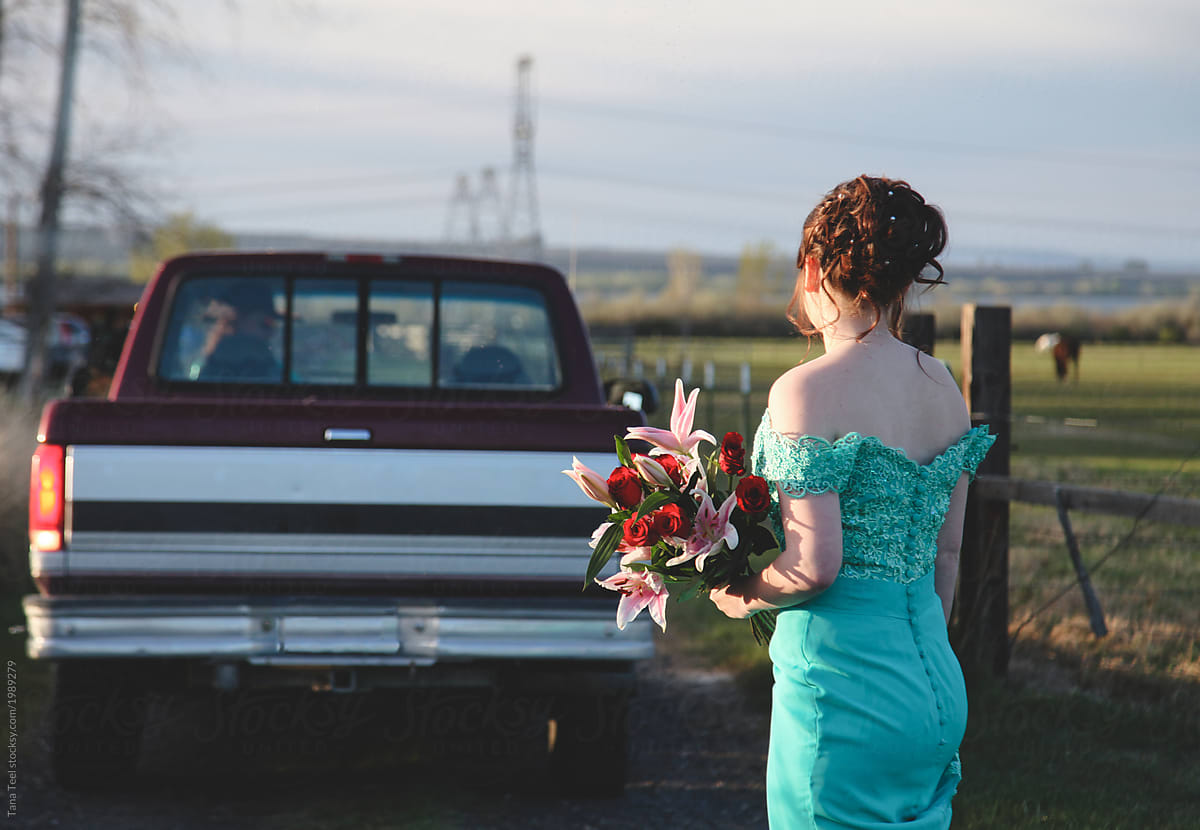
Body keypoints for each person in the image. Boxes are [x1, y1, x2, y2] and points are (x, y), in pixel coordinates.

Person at [709, 175, 994, 829]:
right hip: (934, 689)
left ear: (812, 267)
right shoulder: (944, 387)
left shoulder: (803, 391)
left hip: (844, 696)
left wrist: (739, 591)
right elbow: (948, 553)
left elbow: (815, 566)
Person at [196, 281, 283, 382]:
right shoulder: (267, 368)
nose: (272, 332)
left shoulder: (212, 366)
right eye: (266, 324)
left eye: (272, 325)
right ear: (239, 318)